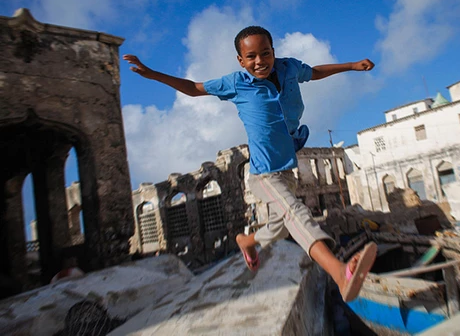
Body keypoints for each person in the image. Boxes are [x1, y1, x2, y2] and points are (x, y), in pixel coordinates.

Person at [123, 26, 377, 302]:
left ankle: (246, 242)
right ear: (241, 61)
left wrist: (352, 65)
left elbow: (314, 72)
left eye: (265, 53)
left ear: (273, 52)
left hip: (286, 169)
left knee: (278, 228)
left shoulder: (289, 68)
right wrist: (151, 74)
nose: (260, 61)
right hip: (263, 174)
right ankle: (339, 272)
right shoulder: (236, 83)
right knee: (295, 214)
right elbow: (194, 89)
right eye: (252, 56)